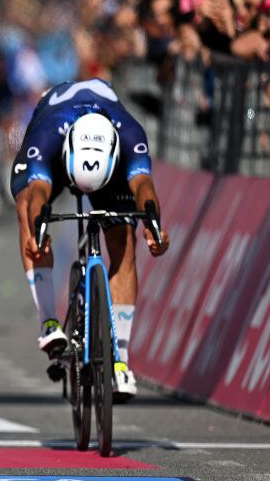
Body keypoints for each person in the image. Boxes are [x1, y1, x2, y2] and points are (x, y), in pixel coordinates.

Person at [10, 78, 170, 401]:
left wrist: (154, 227)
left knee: (124, 243)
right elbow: (39, 190)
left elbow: (143, 187)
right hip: (54, 145)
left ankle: (121, 362)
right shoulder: (47, 134)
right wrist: (38, 232)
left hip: (108, 168)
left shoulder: (130, 134)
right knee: (28, 208)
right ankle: (48, 322)